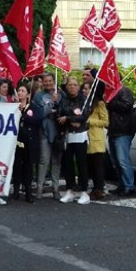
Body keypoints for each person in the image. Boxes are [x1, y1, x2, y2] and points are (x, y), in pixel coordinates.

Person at [58, 77, 91, 205]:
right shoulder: (64, 100)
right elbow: (59, 114)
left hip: (80, 135)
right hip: (67, 135)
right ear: (67, 87)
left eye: (75, 85)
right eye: (70, 85)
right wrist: (71, 118)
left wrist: (68, 117)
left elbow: (84, 116)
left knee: (81, 163)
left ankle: (84, 191)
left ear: (79, 87)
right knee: (68, 164)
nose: (72, 87)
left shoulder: (83, 100)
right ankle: (70, 189)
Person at [33, 73, 63, 200]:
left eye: (50, 81)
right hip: (44, 131)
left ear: (54, 81)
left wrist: (57, 105)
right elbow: (39, 113)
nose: (48, 83)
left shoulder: (61, 94)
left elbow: (64, 110)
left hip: (59, 132)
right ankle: (40, 187)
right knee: (44, 159)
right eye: (45, 81)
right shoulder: (39, 96)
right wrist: (51, 105)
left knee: (56, 160)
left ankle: (55, 187)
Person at [11, 83, 41, 203]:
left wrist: (23, 112)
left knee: (28, 166)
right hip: (17, 140)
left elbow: (36, 120)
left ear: (28, 94)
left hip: (30, 141)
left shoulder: (33, 107)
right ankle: (16, 191)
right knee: (17, 165)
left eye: (23, 91)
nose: (20, 93)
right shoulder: (13, 106)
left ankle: (28, 192)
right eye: (19, 90)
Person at [106, 78, 136, 196]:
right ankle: (122, 184)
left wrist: (110, 102)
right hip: (114, 130)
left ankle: (129, 186)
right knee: (116, 161)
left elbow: (127, 105)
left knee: (122, 160)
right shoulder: (111, 93)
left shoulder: (124, 91)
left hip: (123, 130)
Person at [85, 81, 109, 201]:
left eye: (87, 89)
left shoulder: (99, 104)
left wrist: (91, 121)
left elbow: (106, 122)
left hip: (96, 138)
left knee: (98, 165)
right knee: (91, 166)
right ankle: (95, 188)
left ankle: (99, 189)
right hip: (87, 138)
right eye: (83, 89)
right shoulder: (85, 104)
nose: (84, 91)